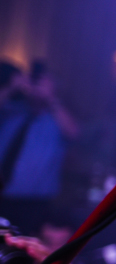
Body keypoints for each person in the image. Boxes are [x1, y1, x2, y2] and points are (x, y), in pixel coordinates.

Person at [0, 63, 79, 235]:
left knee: (24, 254)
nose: (37, 87)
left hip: (33, 204)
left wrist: (50, 97)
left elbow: (73, 132)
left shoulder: (56, 120)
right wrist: (12, 86)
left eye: (43, 82)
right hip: (2, 197)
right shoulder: (12, 110)